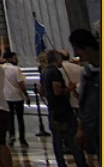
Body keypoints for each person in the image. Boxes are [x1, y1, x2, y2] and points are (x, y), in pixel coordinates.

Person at [41, 49, 88, 167]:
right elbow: (57, 91)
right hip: (63, 109)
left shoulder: (44, 71)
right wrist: (70, 88)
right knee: (72, 137)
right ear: (57, 59)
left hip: (52, 109)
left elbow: (42, 91)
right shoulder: (55, 72)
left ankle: (61, 163)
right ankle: (81, 162)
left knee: (57, 139)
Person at [69, 29, 100, 167]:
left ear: (88, 49)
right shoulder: (86, 72)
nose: (75, 55)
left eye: (77, 50)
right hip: (94, 127)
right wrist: (81, 129)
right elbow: (84, 101)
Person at [1, 51, 28, 148]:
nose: (16, 59)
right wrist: (26, 95)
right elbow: (21, 83)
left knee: (10, 118)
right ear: (9, 59)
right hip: (17, 96)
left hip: (6, 96)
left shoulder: (1, 68)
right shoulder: (16, 69)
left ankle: (12, 135)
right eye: (14, 58)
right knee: (20, 119)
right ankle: (22, 139)